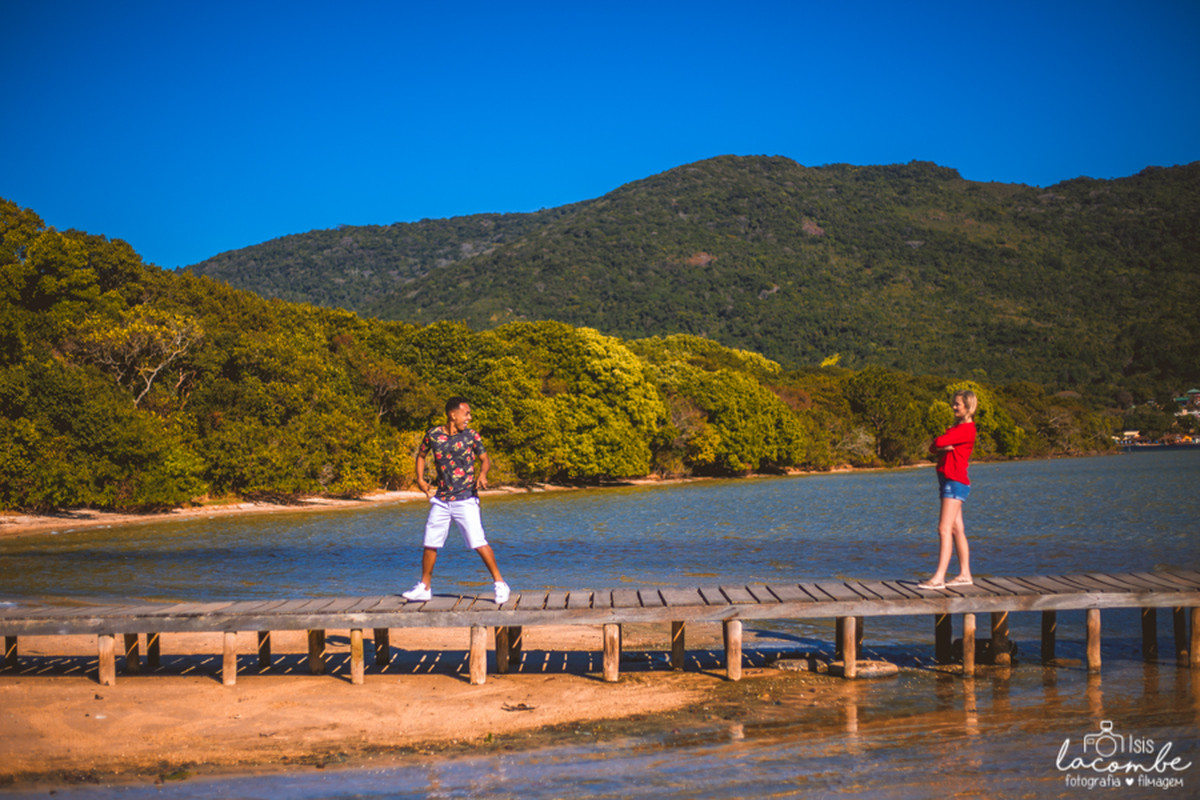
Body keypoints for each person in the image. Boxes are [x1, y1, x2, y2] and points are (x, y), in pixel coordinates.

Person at [401, 397, 510, 605]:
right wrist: (420, 479)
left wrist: (483, 474)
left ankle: (500, 584)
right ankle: (424, 587)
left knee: (478, 542)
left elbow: (485, 459)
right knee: (430, 542)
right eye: (466, 413)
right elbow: (421, 456)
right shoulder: (433, 435)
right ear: (453, 415)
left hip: (465, 497)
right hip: (441, 499)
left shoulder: (471, 436)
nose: (469, 418)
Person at [918, 389, 977, 591]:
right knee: (956, 529)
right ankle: (965, 574)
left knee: (943, 529)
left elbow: (939, 441)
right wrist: (942, 444)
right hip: (949, 480)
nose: (953, 407)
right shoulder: (956, 428)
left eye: (957, 404)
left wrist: (943, 443)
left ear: (968, 407)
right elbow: (935, 447)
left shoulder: (966, 429)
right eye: (954, 403)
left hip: (954, 481)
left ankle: (939, 578)